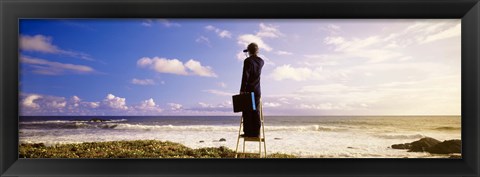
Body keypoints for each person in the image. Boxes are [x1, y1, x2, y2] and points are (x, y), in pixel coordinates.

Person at [240, 43, 264, 137]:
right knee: (256, 111)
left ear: (249, 51)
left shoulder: (247, 61)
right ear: (257, 50)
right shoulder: (261, 61)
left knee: (247, 111)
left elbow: (245, 76)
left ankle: (247, 132)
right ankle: (256, 133)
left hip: (248, 90)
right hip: (257, 90)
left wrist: (242, 90)